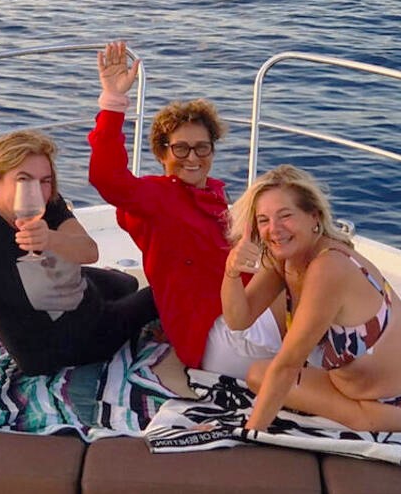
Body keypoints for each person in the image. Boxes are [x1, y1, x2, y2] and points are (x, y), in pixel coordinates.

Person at [0, 130, 156, 419]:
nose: (37, 189)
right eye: (23, 179)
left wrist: (50, 239)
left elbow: (89, 251)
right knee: (157, 295)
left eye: (45, 180)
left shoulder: (47, 204)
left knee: (126, 282)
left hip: (69, 295)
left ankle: (108, 297)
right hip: (72, 342)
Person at [223, 165, 401, 434]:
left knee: (263, 377)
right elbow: (238, 320)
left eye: (285, 216)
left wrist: (248, 435)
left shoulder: (329, 266)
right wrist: (231, 272)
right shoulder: (284, 259)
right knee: (260, 373)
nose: (274, 229)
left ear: (314, 216)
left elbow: (287, 366)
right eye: (263, 220)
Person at [87, 41, 282, 377]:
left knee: (320, 262)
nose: (192, 158)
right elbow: (107, 177)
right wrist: (113, 101)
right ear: (162, 153)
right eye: (181, 149)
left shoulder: (213, 196)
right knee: (318, 277)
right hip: (220, 336)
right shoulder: (156, 197)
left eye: (202, 148)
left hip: (247, 313)